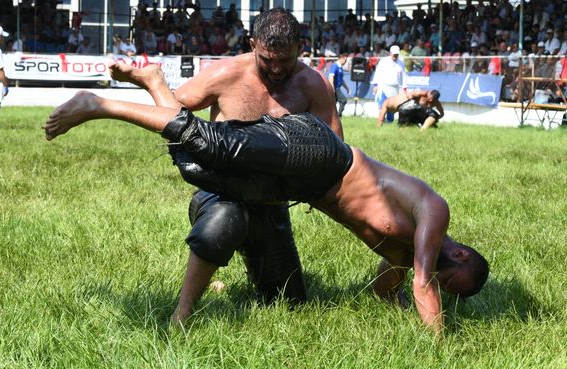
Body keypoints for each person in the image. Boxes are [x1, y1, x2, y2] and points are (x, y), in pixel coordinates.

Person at [43, 67, 489, 335]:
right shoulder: (434, 213)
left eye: (451, 296)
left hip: (301, 189)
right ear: (459, 253)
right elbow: (423, 284)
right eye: (454, 287)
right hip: (325, 158)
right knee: (213, 143)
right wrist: (438, 349)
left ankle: (154, 81)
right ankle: (99, 102)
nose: (444, 293)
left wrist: (398, 307)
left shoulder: (399, 257)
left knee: (195, 167)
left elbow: (381, 294)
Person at [43, 9, 344, 325]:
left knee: (290, 305)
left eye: (285, 60)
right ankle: (181, 316)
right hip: (219, 194)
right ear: (253, 43)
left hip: (271, 207)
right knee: (226, 219)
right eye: (267, 60)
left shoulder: (315, 86)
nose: (276, 69)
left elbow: (334, 152)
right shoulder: (226, 74)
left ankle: (236, 266)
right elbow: (174, 115)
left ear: (300, 46)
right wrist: (155, 88)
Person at [377, 89, 444, 130]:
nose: (430, 100)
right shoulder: (422, 93)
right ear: (429, 94)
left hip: (413, 109)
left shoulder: (436, 102)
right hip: (410, 107)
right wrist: (414, 104)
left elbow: (441, 113)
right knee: (405, 126)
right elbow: (409, 96)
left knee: (433, 120)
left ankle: (422, 129)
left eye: (432, 100)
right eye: (430, 98)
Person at [372, 45, 406, 124]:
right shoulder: (383, 61)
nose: (395, 56)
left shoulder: (401, 63)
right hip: (383, 86)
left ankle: (390, 122)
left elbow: (404, 76)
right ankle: (381, 121)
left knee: (392, 107)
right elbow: (378, 72)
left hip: (395, 88)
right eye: (394, 54)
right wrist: (375, 85)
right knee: (382, 105)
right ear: (390, 53)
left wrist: (404, 87)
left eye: (397, 54)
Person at [328, 53, 351, 117]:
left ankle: (332, 117)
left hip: (338, 87)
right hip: (335, 88)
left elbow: (341, 80)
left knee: (333, 103)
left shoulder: (340, 67)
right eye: (345, 60)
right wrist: (332, 88)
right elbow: (331, 77)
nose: (345, 62)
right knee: (343, 100)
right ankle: (338, 116)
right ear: (342, 58)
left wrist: (347, 88)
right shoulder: (335, 66)